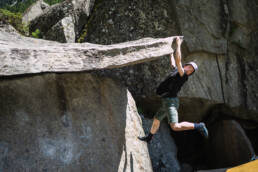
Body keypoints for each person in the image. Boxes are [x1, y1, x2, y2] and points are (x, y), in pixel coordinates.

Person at [138, 37, 209, 143]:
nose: (189, 69)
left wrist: (178, 44)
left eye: (191, 70)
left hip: (171, 103)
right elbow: (173, 62)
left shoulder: (183, 75)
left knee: (175, 126)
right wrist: (171, 50)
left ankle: (199, 125)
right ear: (187, 65)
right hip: (165, 102)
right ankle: (149, 138)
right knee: (156, 120)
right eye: (189, 66)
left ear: (190, 73)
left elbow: (178, 60)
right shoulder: (177, 70)